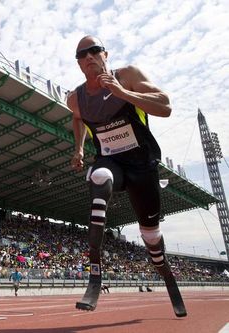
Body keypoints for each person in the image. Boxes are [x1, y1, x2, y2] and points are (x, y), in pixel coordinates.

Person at [67, 35, 186, 317]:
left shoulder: (129, 75)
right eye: (82, 55)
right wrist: (79, 149)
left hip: (142, 166)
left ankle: (165, 272)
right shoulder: (76, 98)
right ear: (79, 65)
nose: (89, 57)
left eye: (94, 50)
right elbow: (76, 117)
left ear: (105, 54)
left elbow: (165, 106)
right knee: (98, 178)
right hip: (111, 162)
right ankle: (95, 276)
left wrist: (122, 93)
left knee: (151, 235)